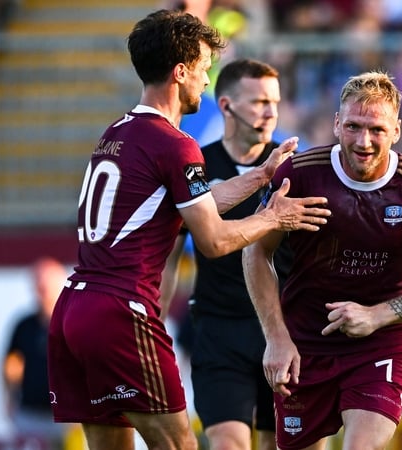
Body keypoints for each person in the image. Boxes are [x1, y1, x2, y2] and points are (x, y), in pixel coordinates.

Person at [47, 10, 331, 450]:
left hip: (74, 308)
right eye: (203, 68)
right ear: (180, 73)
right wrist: (274, 217)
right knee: (180, 446)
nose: (206, 78)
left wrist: (259, 175)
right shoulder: (175, 143)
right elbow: (213, 240)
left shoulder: (117, 132)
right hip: (123, 311)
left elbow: (185, 208)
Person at [242, 71, 402, 450]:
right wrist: (277, 339)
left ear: (397, 130)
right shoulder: (300, 175)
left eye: (377, 129)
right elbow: (255, 251)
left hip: (381, 343)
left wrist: (376, 316)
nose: (364, 142)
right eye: (353, 126)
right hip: (304, 342)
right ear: (336, 124)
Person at [161, 57, 287, 450]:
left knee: (280, 442)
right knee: (227, 442)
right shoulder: (195, 165)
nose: (269, 112)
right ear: (227, 105)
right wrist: (156, 326)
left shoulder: (293, 168)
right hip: (218, 328)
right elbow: (168, 258)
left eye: (274, 102)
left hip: (282, 329)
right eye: (258, 101)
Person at [3, 257, 69, 446]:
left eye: (47, 282)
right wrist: (9, 398)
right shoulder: (24, 325)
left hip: (67, 417)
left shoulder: (72, 323)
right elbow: (12, 362)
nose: (42, 288)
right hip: (29, 415)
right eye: (38, 282)